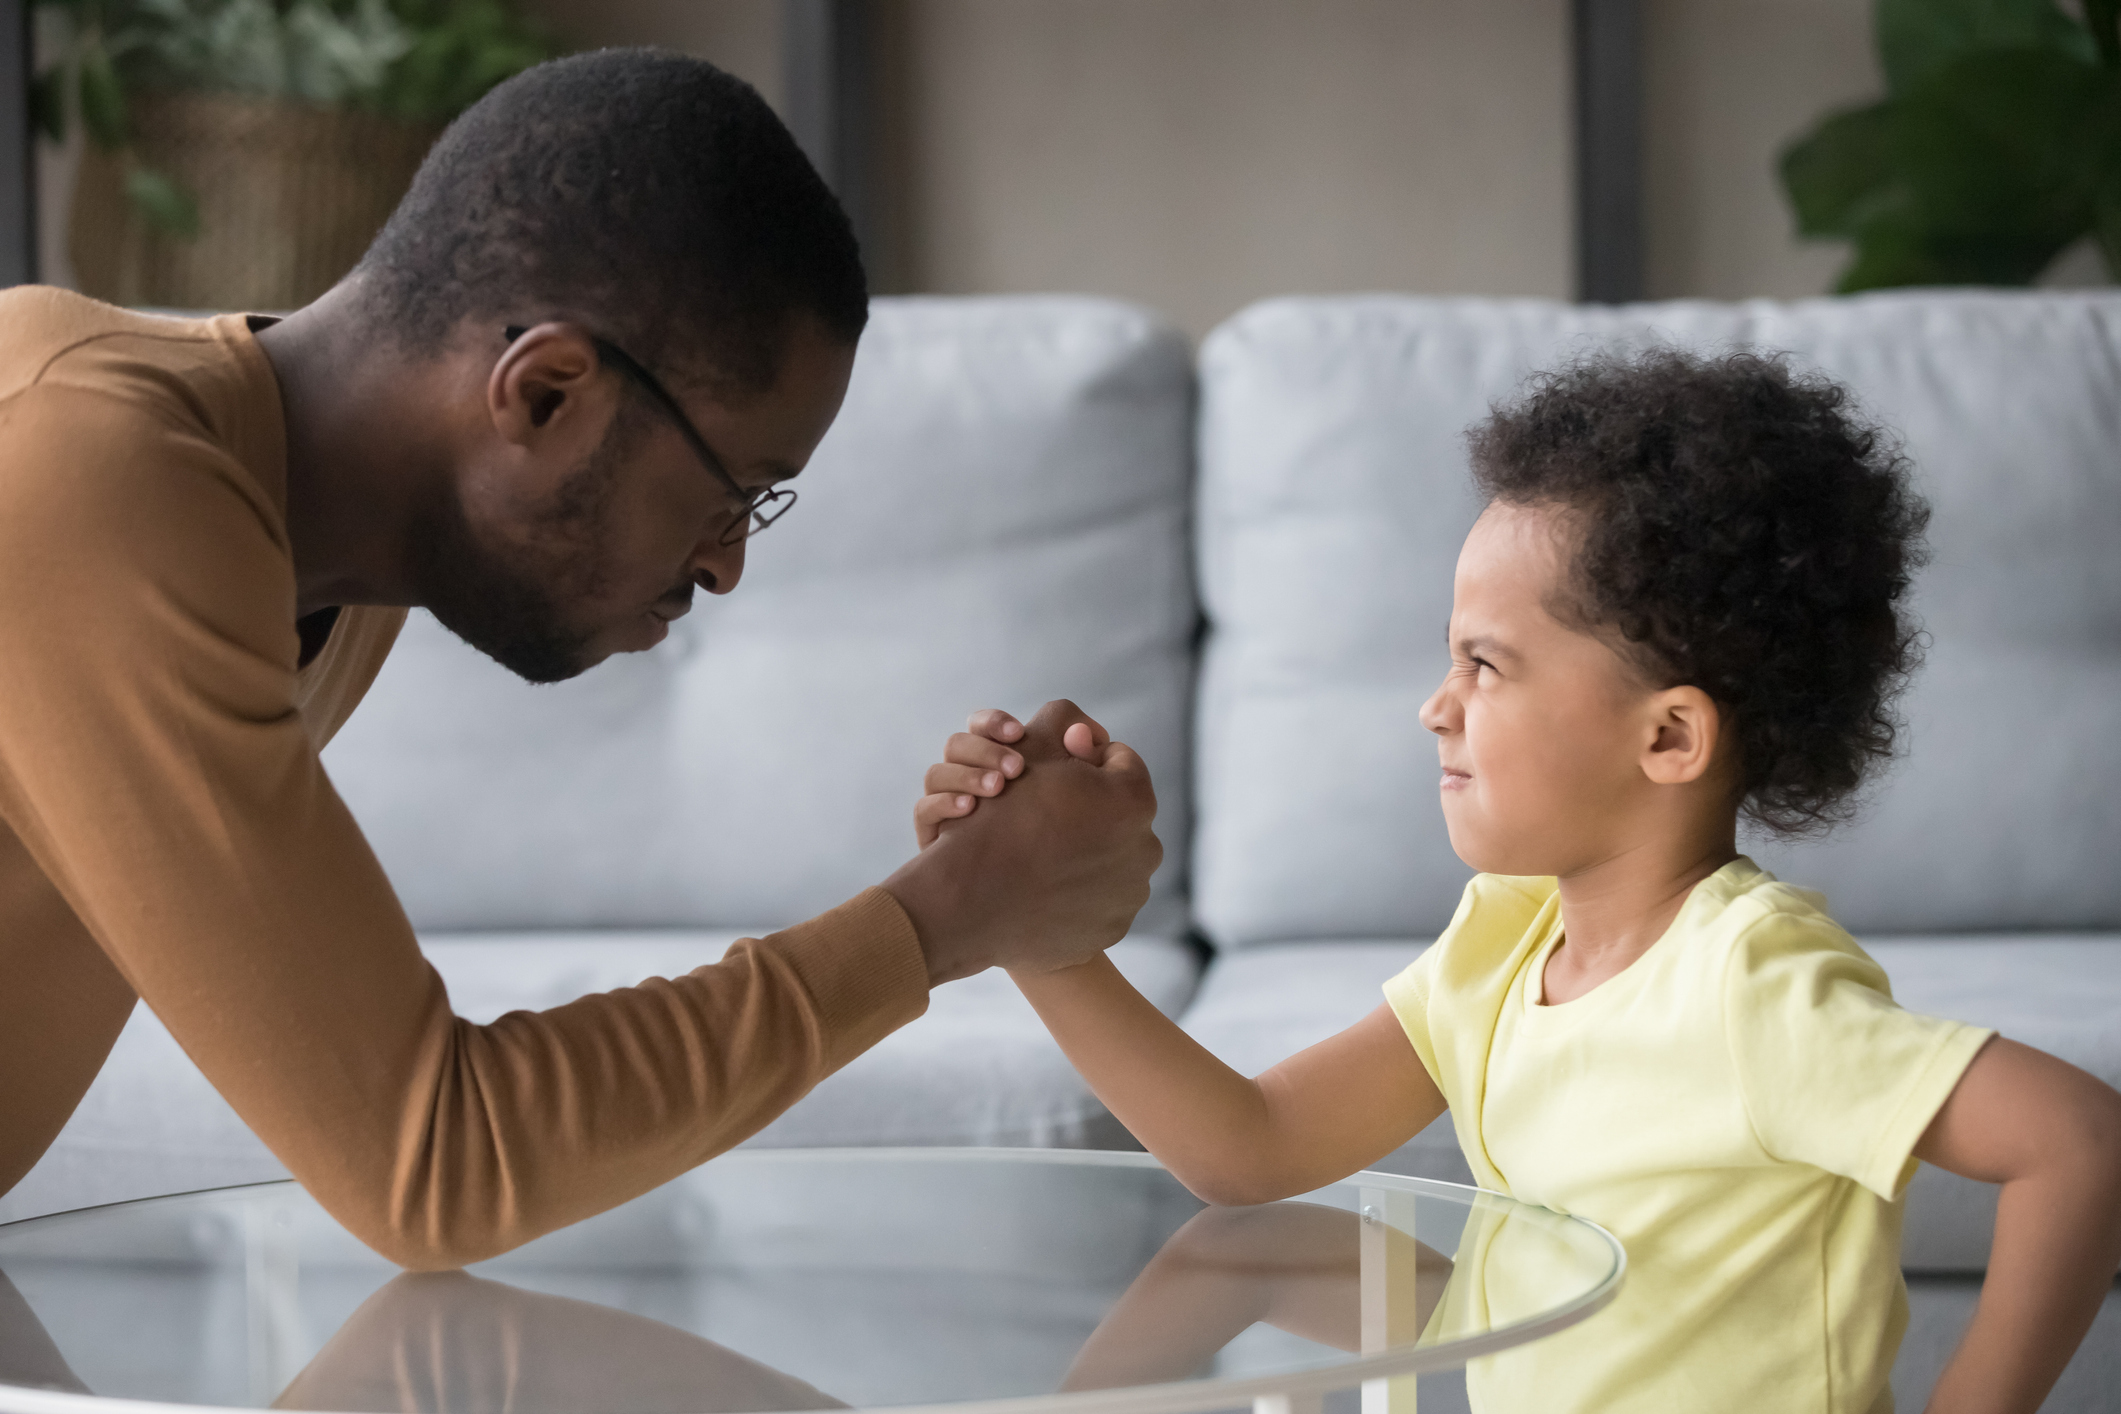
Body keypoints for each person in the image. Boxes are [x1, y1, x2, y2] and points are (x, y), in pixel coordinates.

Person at [0, 49, 1161, 1270]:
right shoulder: (86, 477)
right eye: (735, 496)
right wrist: (944, 918)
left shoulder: (318, 557)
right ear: (547, 391)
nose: (726, 569)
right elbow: (436, 1161)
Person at [924, 350, 2121, 1413]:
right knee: (1246, 1246)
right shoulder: (1506, 938)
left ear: (1669, 740)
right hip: (1548, 1345)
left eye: (1485, 665)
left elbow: (2079, 1140)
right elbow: (1252, 1147)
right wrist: (1036, 931)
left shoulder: (1749, 982)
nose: (1435, 707)